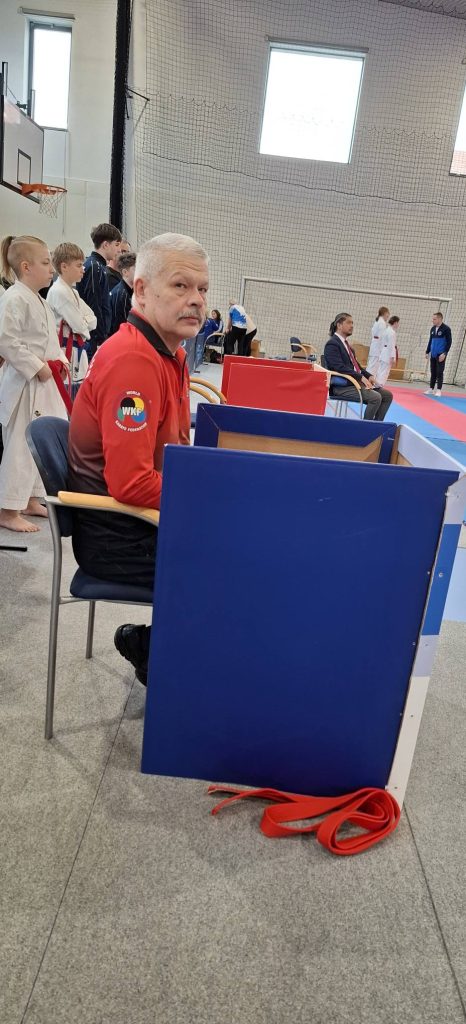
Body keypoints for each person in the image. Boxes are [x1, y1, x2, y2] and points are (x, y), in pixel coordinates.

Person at [68, 232, 209, 683]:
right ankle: (156, 654)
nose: (197, 300)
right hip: (119, 535)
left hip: (139, 523)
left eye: (203, 289)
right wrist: (208, 500)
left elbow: (171, 452)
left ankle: (166, 650)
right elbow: (131, 483)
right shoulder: (135, 361)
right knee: (240, 565)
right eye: (181, 286)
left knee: (246, 545)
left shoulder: (167, 354)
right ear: (142, 290)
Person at [0, 236, 69, 533]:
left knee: (37, 444)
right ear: (26, 267)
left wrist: (60, 361)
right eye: (45, 262)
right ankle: (7, 509)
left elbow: (49, 342)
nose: (51, 268)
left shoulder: (39, 300)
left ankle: (28, 499)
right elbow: (6, 340)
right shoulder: (14, 298)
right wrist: (37, 366)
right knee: (19, 445)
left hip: (45, 382)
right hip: (25, 384)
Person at [324, 313, 393, 421]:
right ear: (339, 325)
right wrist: (360, 377)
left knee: (387, 395)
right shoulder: (332, 344)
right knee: (375, 397)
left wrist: (369, 376)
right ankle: (365, 427)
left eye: (352, 323)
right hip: (342, 387)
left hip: (354, 383)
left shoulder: (347, 345)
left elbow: (357, 367)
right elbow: (339, 367)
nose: (352, 326)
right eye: (348, 322)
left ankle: (376, 425)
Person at [47, 242, 97, 389]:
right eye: (79, 265)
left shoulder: (73, 292)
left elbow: (93, 320)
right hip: (66, 352)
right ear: (64, 267)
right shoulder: (59, 291)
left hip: (76, 353)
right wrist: (82, 321)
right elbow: (79, 326)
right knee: (68, 396)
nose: (83, 269)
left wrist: (82, 321)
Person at [76, 223, 122, 357]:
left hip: (97, 335)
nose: (119, 250)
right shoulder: (94, 267)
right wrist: (99, 337)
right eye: (116, 245)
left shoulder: (99, 266)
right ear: (106, 245)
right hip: (93, 337)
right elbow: (93, 304)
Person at [425, 311, 452, 397]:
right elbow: (430, 341)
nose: (432, 320)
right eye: (433, 319)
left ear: (440, 319)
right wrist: (427, 351)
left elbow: (449, 342)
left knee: (439, 372)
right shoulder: (432, 329)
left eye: (434, 319)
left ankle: (439, 390)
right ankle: (431, 388)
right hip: (433, 353)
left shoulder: (446, 329)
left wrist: (445, 353)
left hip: (440, 354)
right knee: (433, 371)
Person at [109, 251, 136, 333]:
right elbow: (120, 326)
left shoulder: (128, 290)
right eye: (136, 269)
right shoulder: (122, 295)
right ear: (125, 272)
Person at [370, 315, 400, 388]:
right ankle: (380, 385)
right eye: (398, 323)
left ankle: (377, 384)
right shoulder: (392, 332)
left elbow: (382, 343)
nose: (398, 325)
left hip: (383, 352)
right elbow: (391, 346)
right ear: (395, 323)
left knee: (380, 370)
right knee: (385, 371)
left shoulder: (386, 330)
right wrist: (392, 356)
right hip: (387, 354)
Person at [367, 306, 390, 377]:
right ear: (384, 313)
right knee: (373, 365)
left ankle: (369, 378)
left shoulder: (378, 321)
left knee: (372, 364)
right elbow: (382, 337)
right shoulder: (382, 323)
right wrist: (383, 348)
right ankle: (368, 379)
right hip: (378, 345)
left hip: (375, 344)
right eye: (387, 315)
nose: (388, 317)